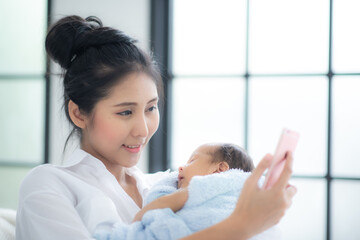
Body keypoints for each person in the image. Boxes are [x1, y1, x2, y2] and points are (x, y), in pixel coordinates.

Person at [16, 15, 297, 240]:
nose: (143, 129)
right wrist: (241, 227)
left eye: (151, 108)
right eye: (125, 112)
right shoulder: (49, 186)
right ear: (78, 113)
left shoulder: (166, 184)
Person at [93, 143, 280, 240]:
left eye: (192, 161)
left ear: (220, 169)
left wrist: (139, 219)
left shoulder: (200, 190)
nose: (181, 167)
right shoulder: (245, 190)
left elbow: (151, 210)